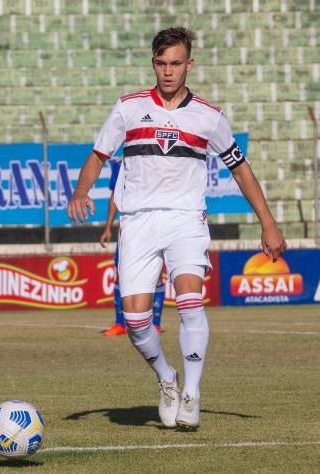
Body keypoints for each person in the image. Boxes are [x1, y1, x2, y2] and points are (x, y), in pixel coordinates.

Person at [68, 27, 286, 430]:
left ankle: (192, 392)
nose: (168, 71)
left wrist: (268, 223)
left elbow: (241, 170)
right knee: (135, 321)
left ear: (189, 64)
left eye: (176, 63)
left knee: (190, 302)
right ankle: (167, 377)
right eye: (161, 63)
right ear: (153, 63)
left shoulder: (209, 116)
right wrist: (82, 190)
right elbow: (98, 155)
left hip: (186, 219)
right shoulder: (128, 108)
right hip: (138, 222)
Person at [100, 157, 164, 336]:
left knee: (157, 274)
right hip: (130, 227)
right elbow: (115, 194)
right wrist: (108, 228)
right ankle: (120, 324)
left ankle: (155, 324)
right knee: (121, 274)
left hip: (156, 223)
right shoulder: (121, 163)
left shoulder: (160, 158)